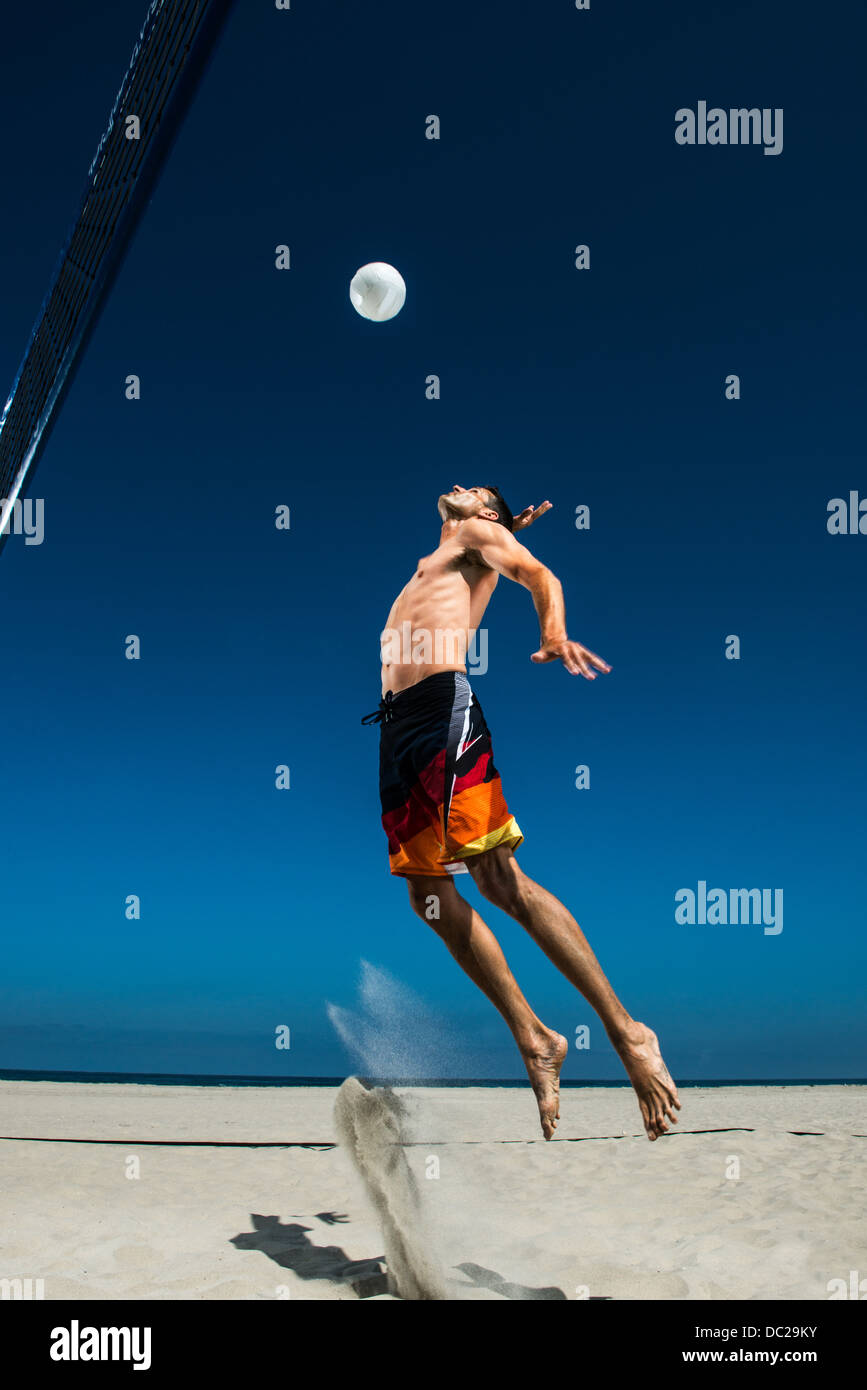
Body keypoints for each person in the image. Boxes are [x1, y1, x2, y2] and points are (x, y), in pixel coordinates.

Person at [362, 485, 680, 1141]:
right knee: (427, 895)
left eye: (474, 489)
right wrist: (498, 519)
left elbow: (538, 574)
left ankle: (627, 1032)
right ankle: (534, 1037)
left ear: (482, 513)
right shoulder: (452, 548)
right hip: (396, 732)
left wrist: (552, 631)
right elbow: (494, 563)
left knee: (498, 878)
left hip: (439, 712)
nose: (457, 485)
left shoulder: (476, 538)